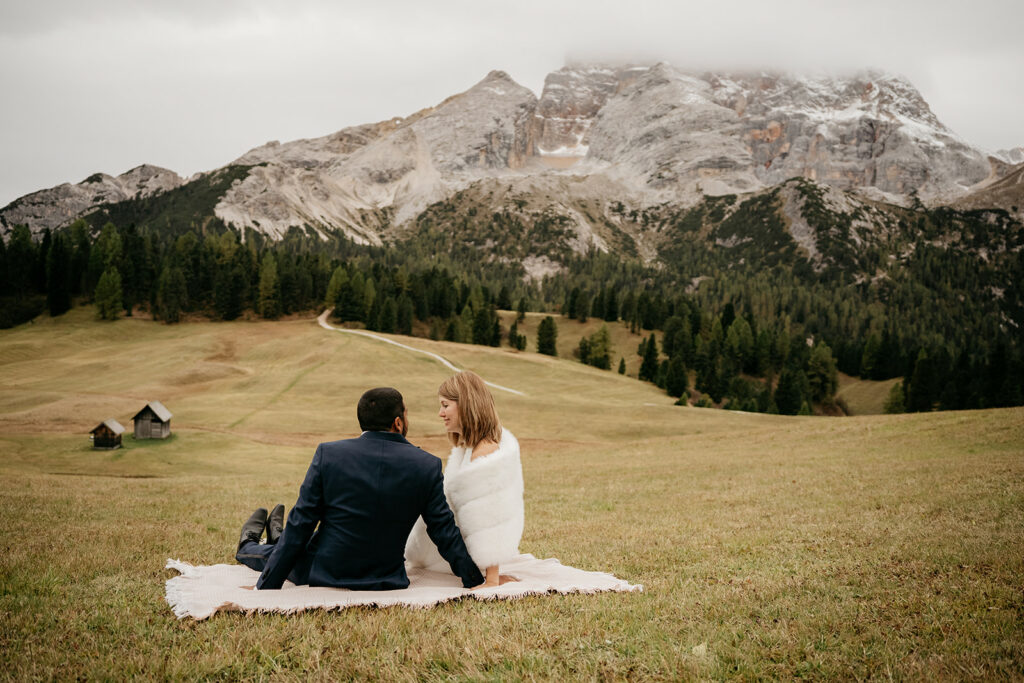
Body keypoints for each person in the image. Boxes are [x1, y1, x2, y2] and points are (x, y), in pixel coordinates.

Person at [234, 387, 484, 590]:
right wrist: (473, 579)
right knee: (292, 542)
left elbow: (302, 522)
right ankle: (276, 534)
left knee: (270, 551)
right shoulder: (426, 465)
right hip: (385, 575)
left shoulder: (329, 454)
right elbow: (443, 529)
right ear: (398, 422)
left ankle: (248, 543)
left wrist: (267, 587)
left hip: (324, 569)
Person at [405, 370, 524, 587]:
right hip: (435, 550)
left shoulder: (484, 451)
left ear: (467, 405)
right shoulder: (468, 449)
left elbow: (489, 517)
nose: (440, 413)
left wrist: (492, 580)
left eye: (445, 405)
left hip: (446, 555)